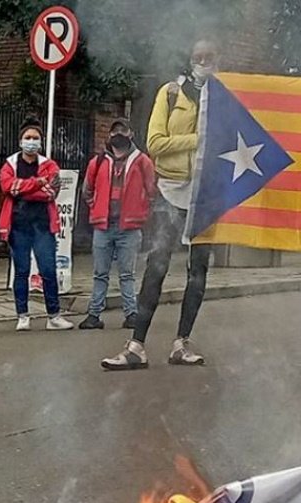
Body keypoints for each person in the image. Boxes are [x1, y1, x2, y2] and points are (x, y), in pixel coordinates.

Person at [101, 39, 217, 371]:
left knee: (198, 272)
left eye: (210, 57)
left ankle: (182, 342)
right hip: (171, 192)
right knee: (157, 267)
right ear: (189, 59)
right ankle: (136, 345)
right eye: (199, 56)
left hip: (206, 196)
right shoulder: (170, 94)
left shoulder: (223, 98)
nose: (204, 62)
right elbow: (155, 143)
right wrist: (199, 140)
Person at [78, 119, 156, 331]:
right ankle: (93, 316)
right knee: (100, 273)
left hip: (129, 228)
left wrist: (140, 211)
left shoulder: (142, 161)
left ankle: (131, 315)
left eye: (123, 130)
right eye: (115, 130)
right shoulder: (98, 161)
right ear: (110, 135)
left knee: (127, 274)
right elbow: (87, 190)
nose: (119, 133)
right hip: (103, 226)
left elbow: (152, 192)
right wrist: (96, 207)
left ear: (131, 134)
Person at [0, 119, 72, 331]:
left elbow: (52, 192)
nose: (31, 142)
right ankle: (22, 315)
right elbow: (8, 188)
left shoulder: (50, 165)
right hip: (18, 225)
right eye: (27, 138)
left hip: (43, 225)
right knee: (21, 271)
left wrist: (25, 187)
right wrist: (38, 182)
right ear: (20, 141)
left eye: (35, 138)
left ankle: (54, 316)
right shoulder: (9, 164)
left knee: (48, 269)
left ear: (41, 142)